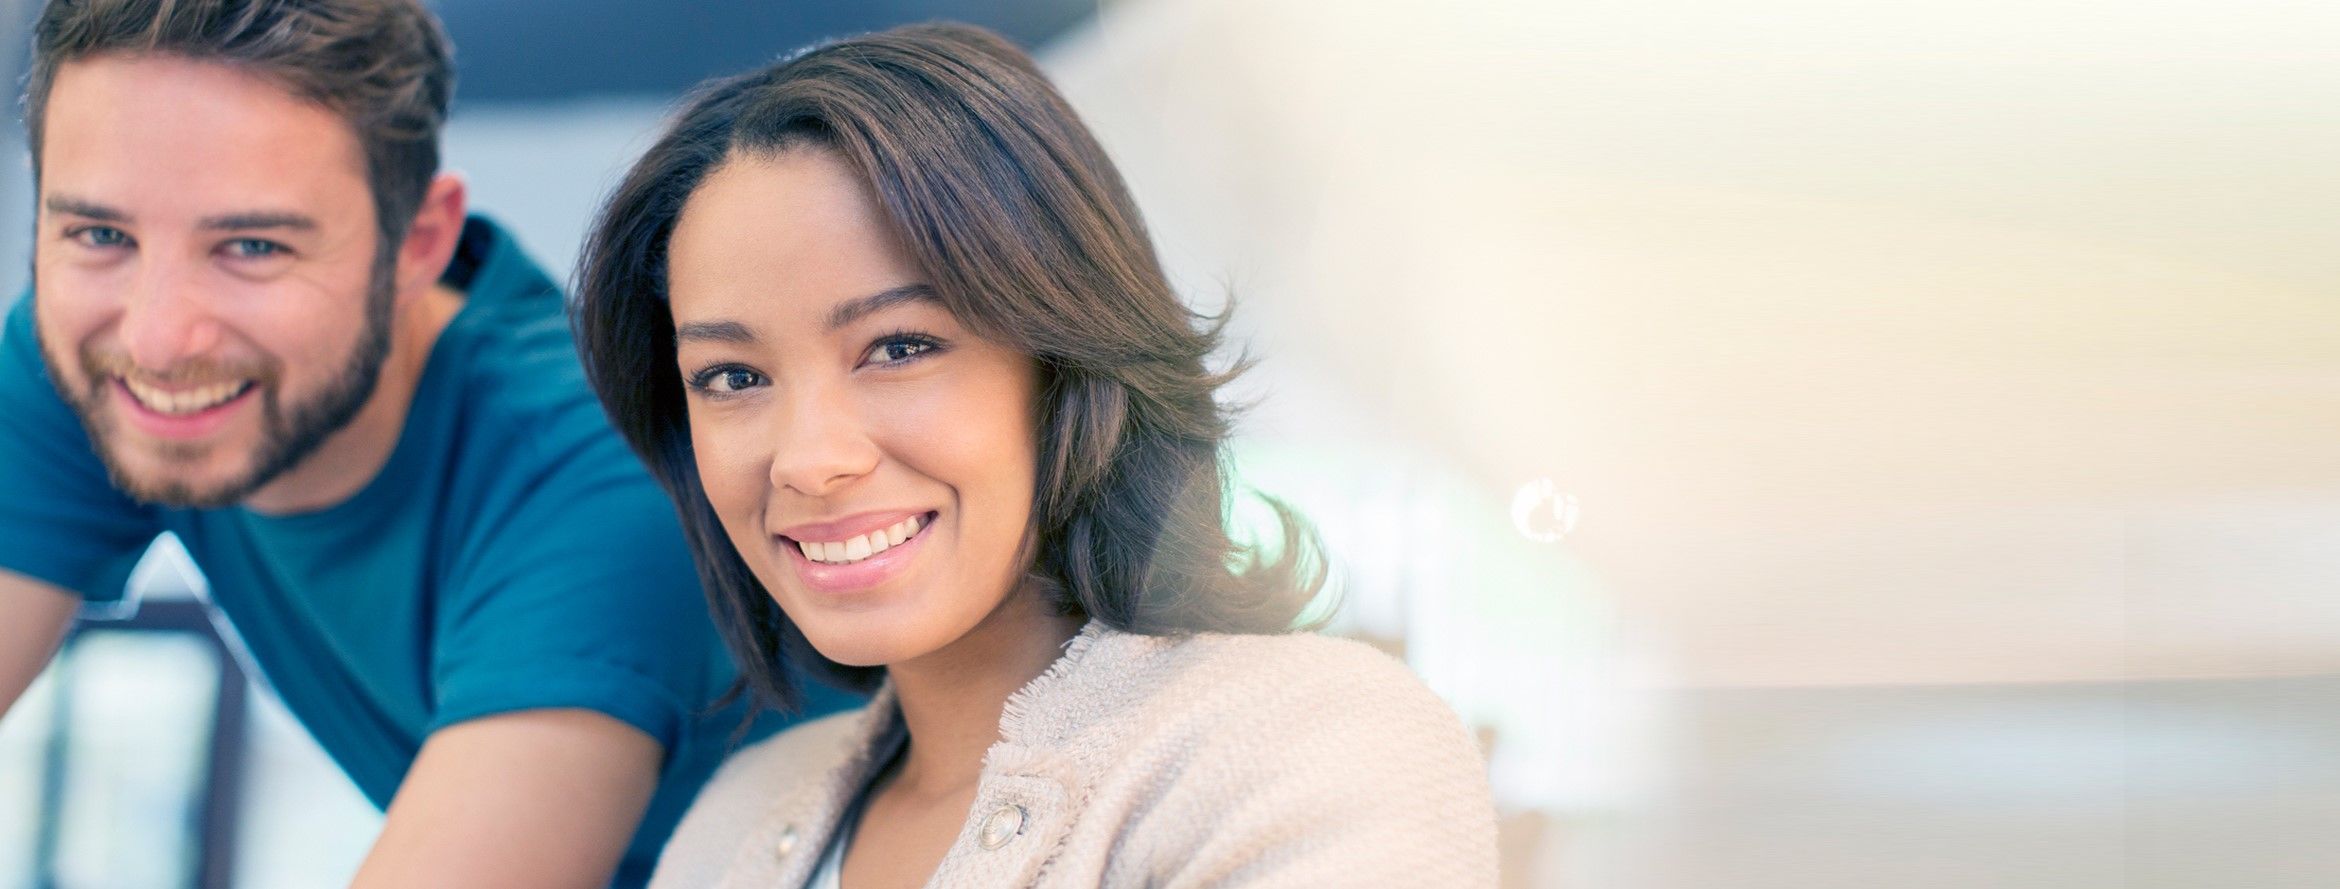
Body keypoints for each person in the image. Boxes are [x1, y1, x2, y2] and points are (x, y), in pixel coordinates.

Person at [573, 23, 1500, 887]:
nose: (810, 461)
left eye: (899, 347)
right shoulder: (739, 816)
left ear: (1065, 361)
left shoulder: (1305, 743)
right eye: (731, 376)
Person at [0, 1, 848, 885]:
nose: (157, 339)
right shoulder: (90, 366)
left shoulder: (591, 481)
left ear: (420, 242)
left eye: (251, 246)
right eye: (100, 234)